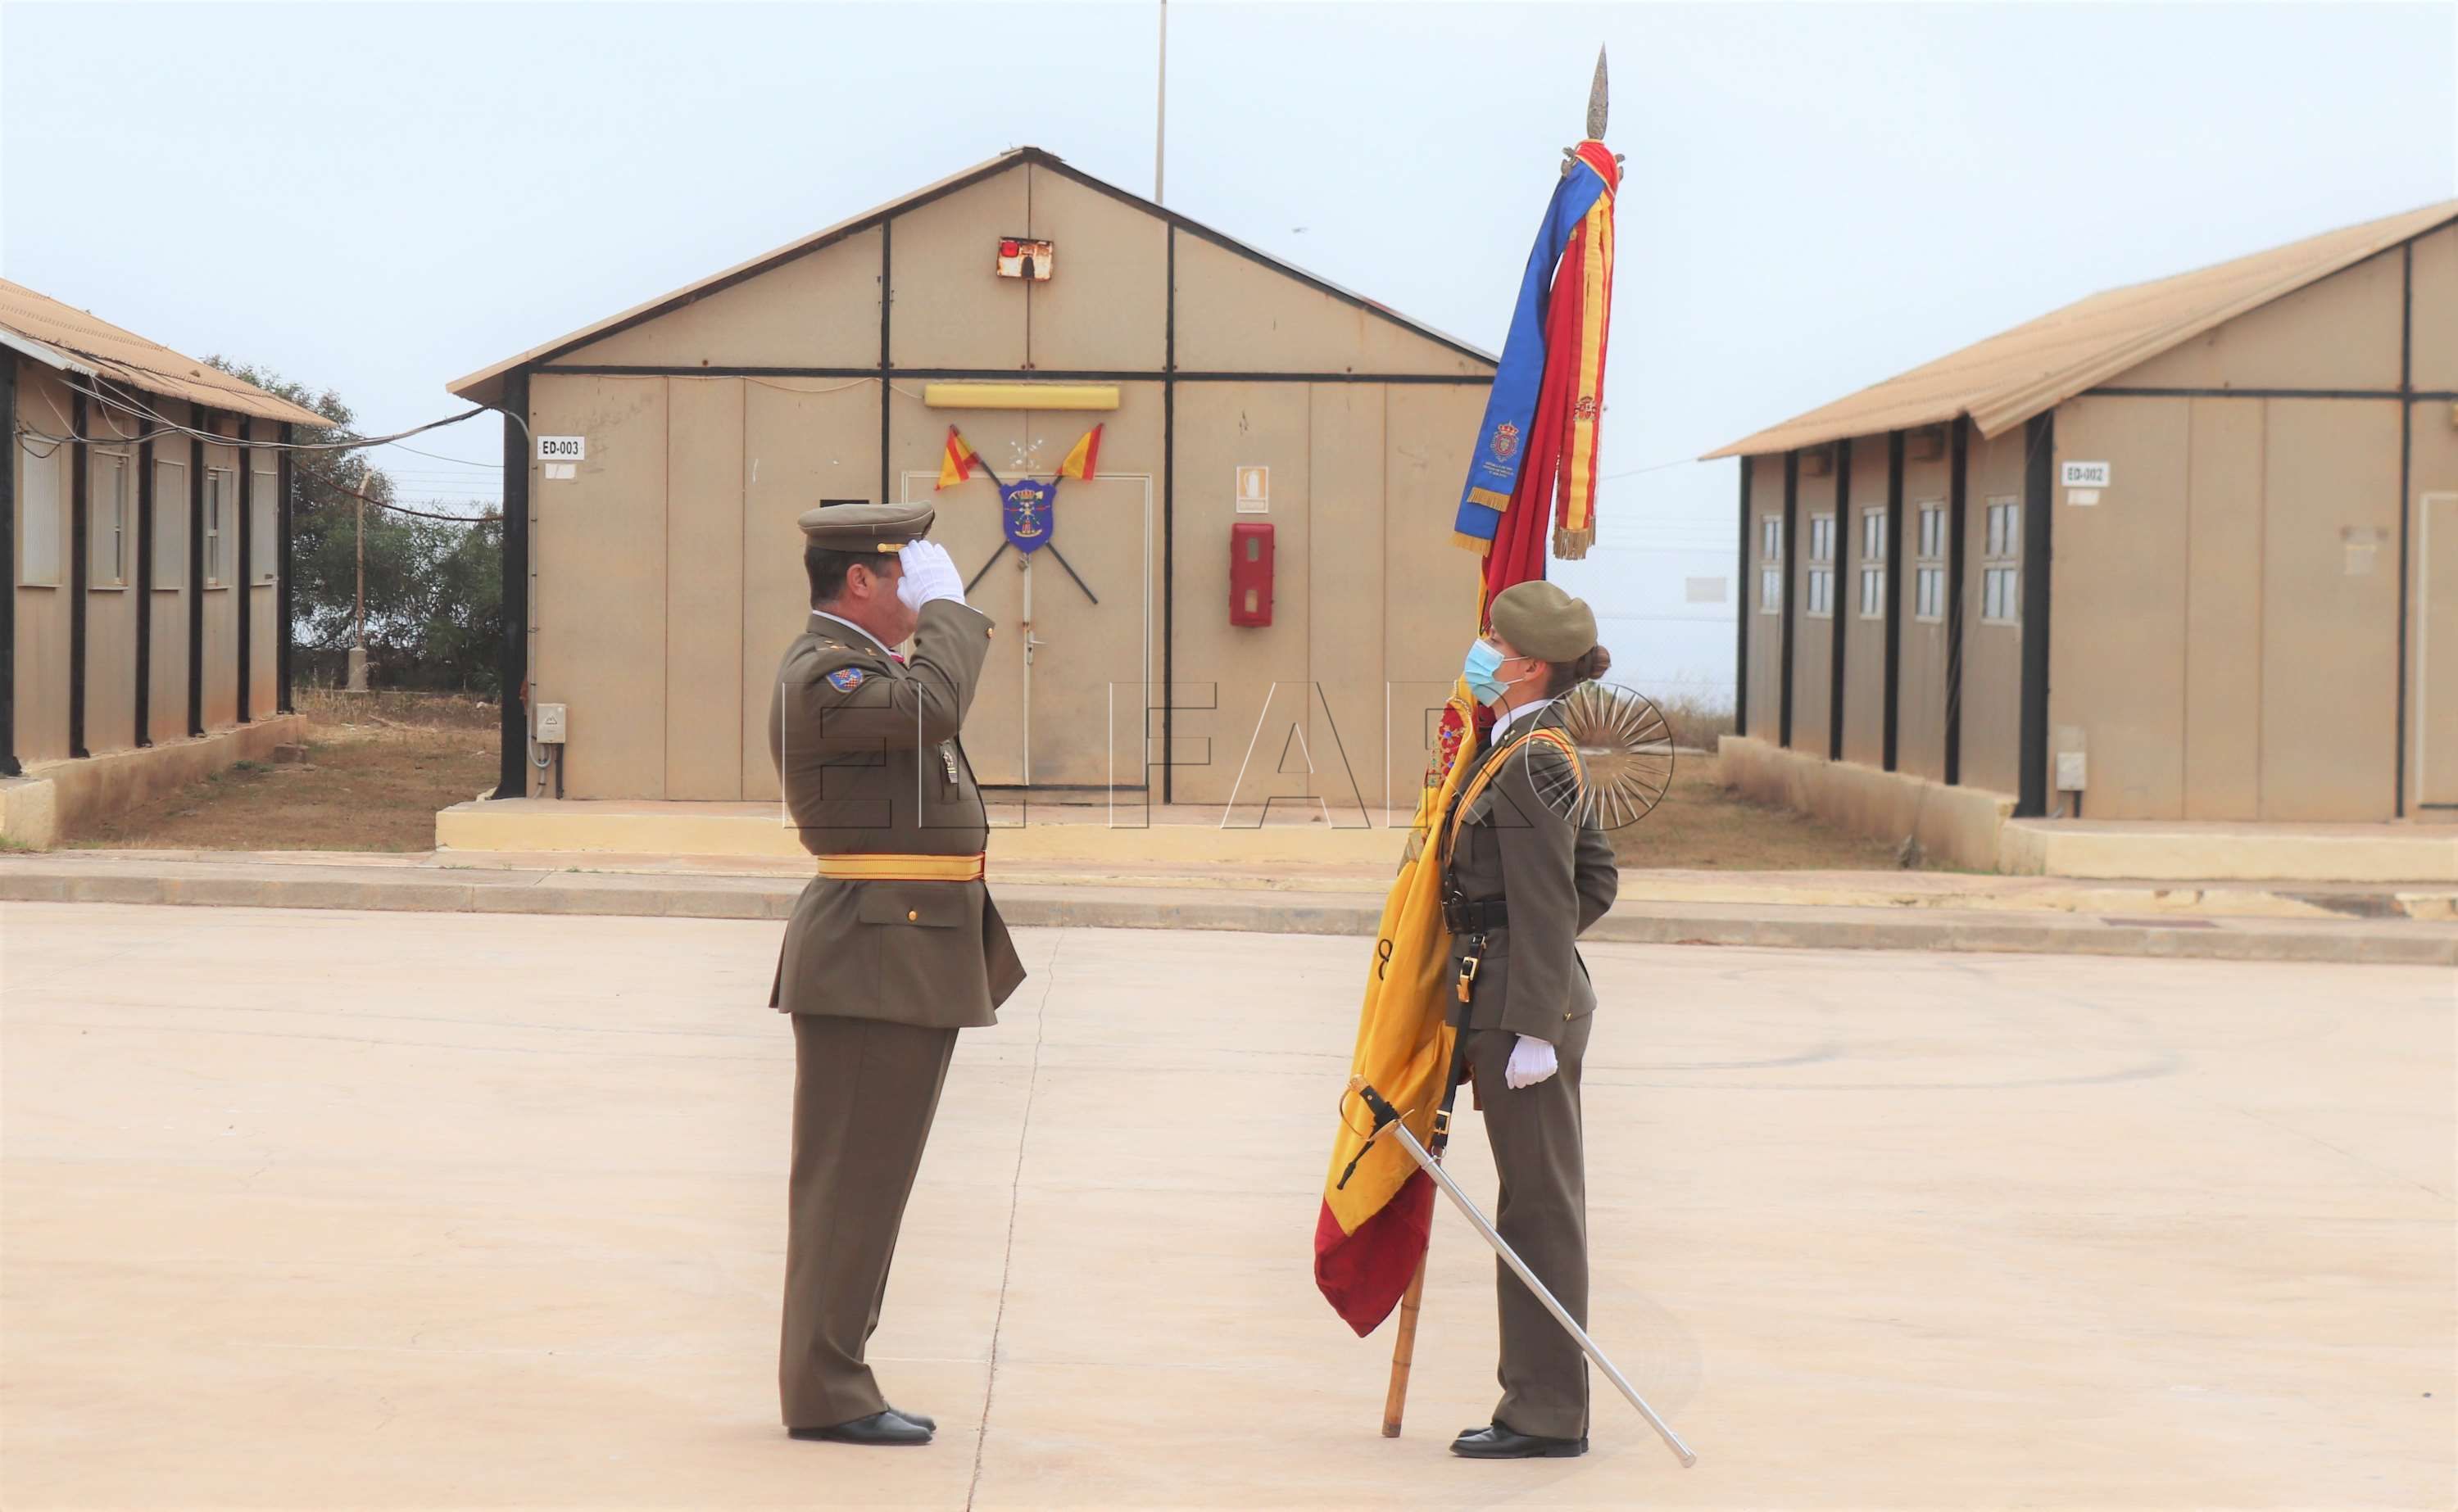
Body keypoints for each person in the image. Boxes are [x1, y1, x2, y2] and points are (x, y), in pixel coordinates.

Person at [766, 502, 1027, 1447]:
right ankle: (828, 1388)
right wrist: (955, 612)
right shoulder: (827, 671)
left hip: (900, 949)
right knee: (850, 1186)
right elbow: (937, 708)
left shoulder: (866, 667)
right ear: (862, 581)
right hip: (874, 955)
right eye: (906, 571)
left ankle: (832, 1376)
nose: (922, 586)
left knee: (867, 1185)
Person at [1438, 579, 1619, 1460]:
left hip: (1524, 1015)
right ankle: (1537, 1399)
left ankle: (1546, 1412)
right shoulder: (1518, 742)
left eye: (1491, 640)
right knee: (1530, 1202)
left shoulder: (1537, 756)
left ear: (1526, 662)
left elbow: (1555, 896)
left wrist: (1539, 1014)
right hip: (1511, 994)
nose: (1480, 649)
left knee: (1540, 1209)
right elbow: (1596, 880)